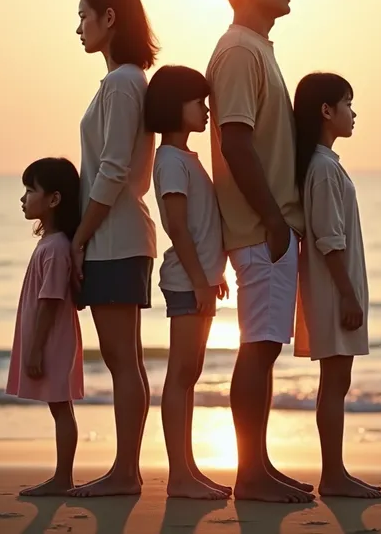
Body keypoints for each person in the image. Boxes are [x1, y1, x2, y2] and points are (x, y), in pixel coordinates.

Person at [206, 0, 314, 503]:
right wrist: (274, 221)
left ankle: (259, 466)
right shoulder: (240, 51)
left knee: (265, 345)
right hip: (260, 230)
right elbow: (237, 145)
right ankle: (249, 476)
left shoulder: (257, 48)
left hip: (270, 228)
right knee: (259, 346)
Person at [69, 0, 158, 497]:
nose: (78, 28)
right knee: (130, 360)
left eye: (84, 16)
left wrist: (80, 237)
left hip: (115, 238)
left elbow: (114, 169)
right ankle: (128, 469)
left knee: (123, 361)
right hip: (120, 236)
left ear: (110, 18)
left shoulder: (124, 82)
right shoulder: (123, 82)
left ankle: (125, 473)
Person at [293, 72, 381, 499]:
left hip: (334, 289)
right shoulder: (323, 168)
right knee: (335, 382)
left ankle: (335, 472)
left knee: (336, 382)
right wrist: (348, 295)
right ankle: (333, 475)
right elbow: (329, 240)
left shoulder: (325, 164)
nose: (354, 112)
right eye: (348, 103)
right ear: (326, 111)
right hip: (333, 292)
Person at [145, 65, 231, 500]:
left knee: (190, 374)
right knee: (180, 374)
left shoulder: (187, 159)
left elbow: (202, 224)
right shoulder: (171, 161)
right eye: (199, 101)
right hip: (185, 281)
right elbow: (177, 227)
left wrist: (213, 276)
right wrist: (199, 280)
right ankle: (179, 475)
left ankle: (190, 468)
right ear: (175, 107)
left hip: (200, 280)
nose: (207, 109)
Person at [6, 157, 83, 496]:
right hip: (50, 336)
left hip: (52, 339)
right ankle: (61, 477)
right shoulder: (51, 244)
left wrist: (36, 348)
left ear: (53, 199)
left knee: (60, 407)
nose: (23, 198)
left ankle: (63, 479)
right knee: (60, 407)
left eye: (29, 190)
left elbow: (50, 300)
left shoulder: (55, 248)